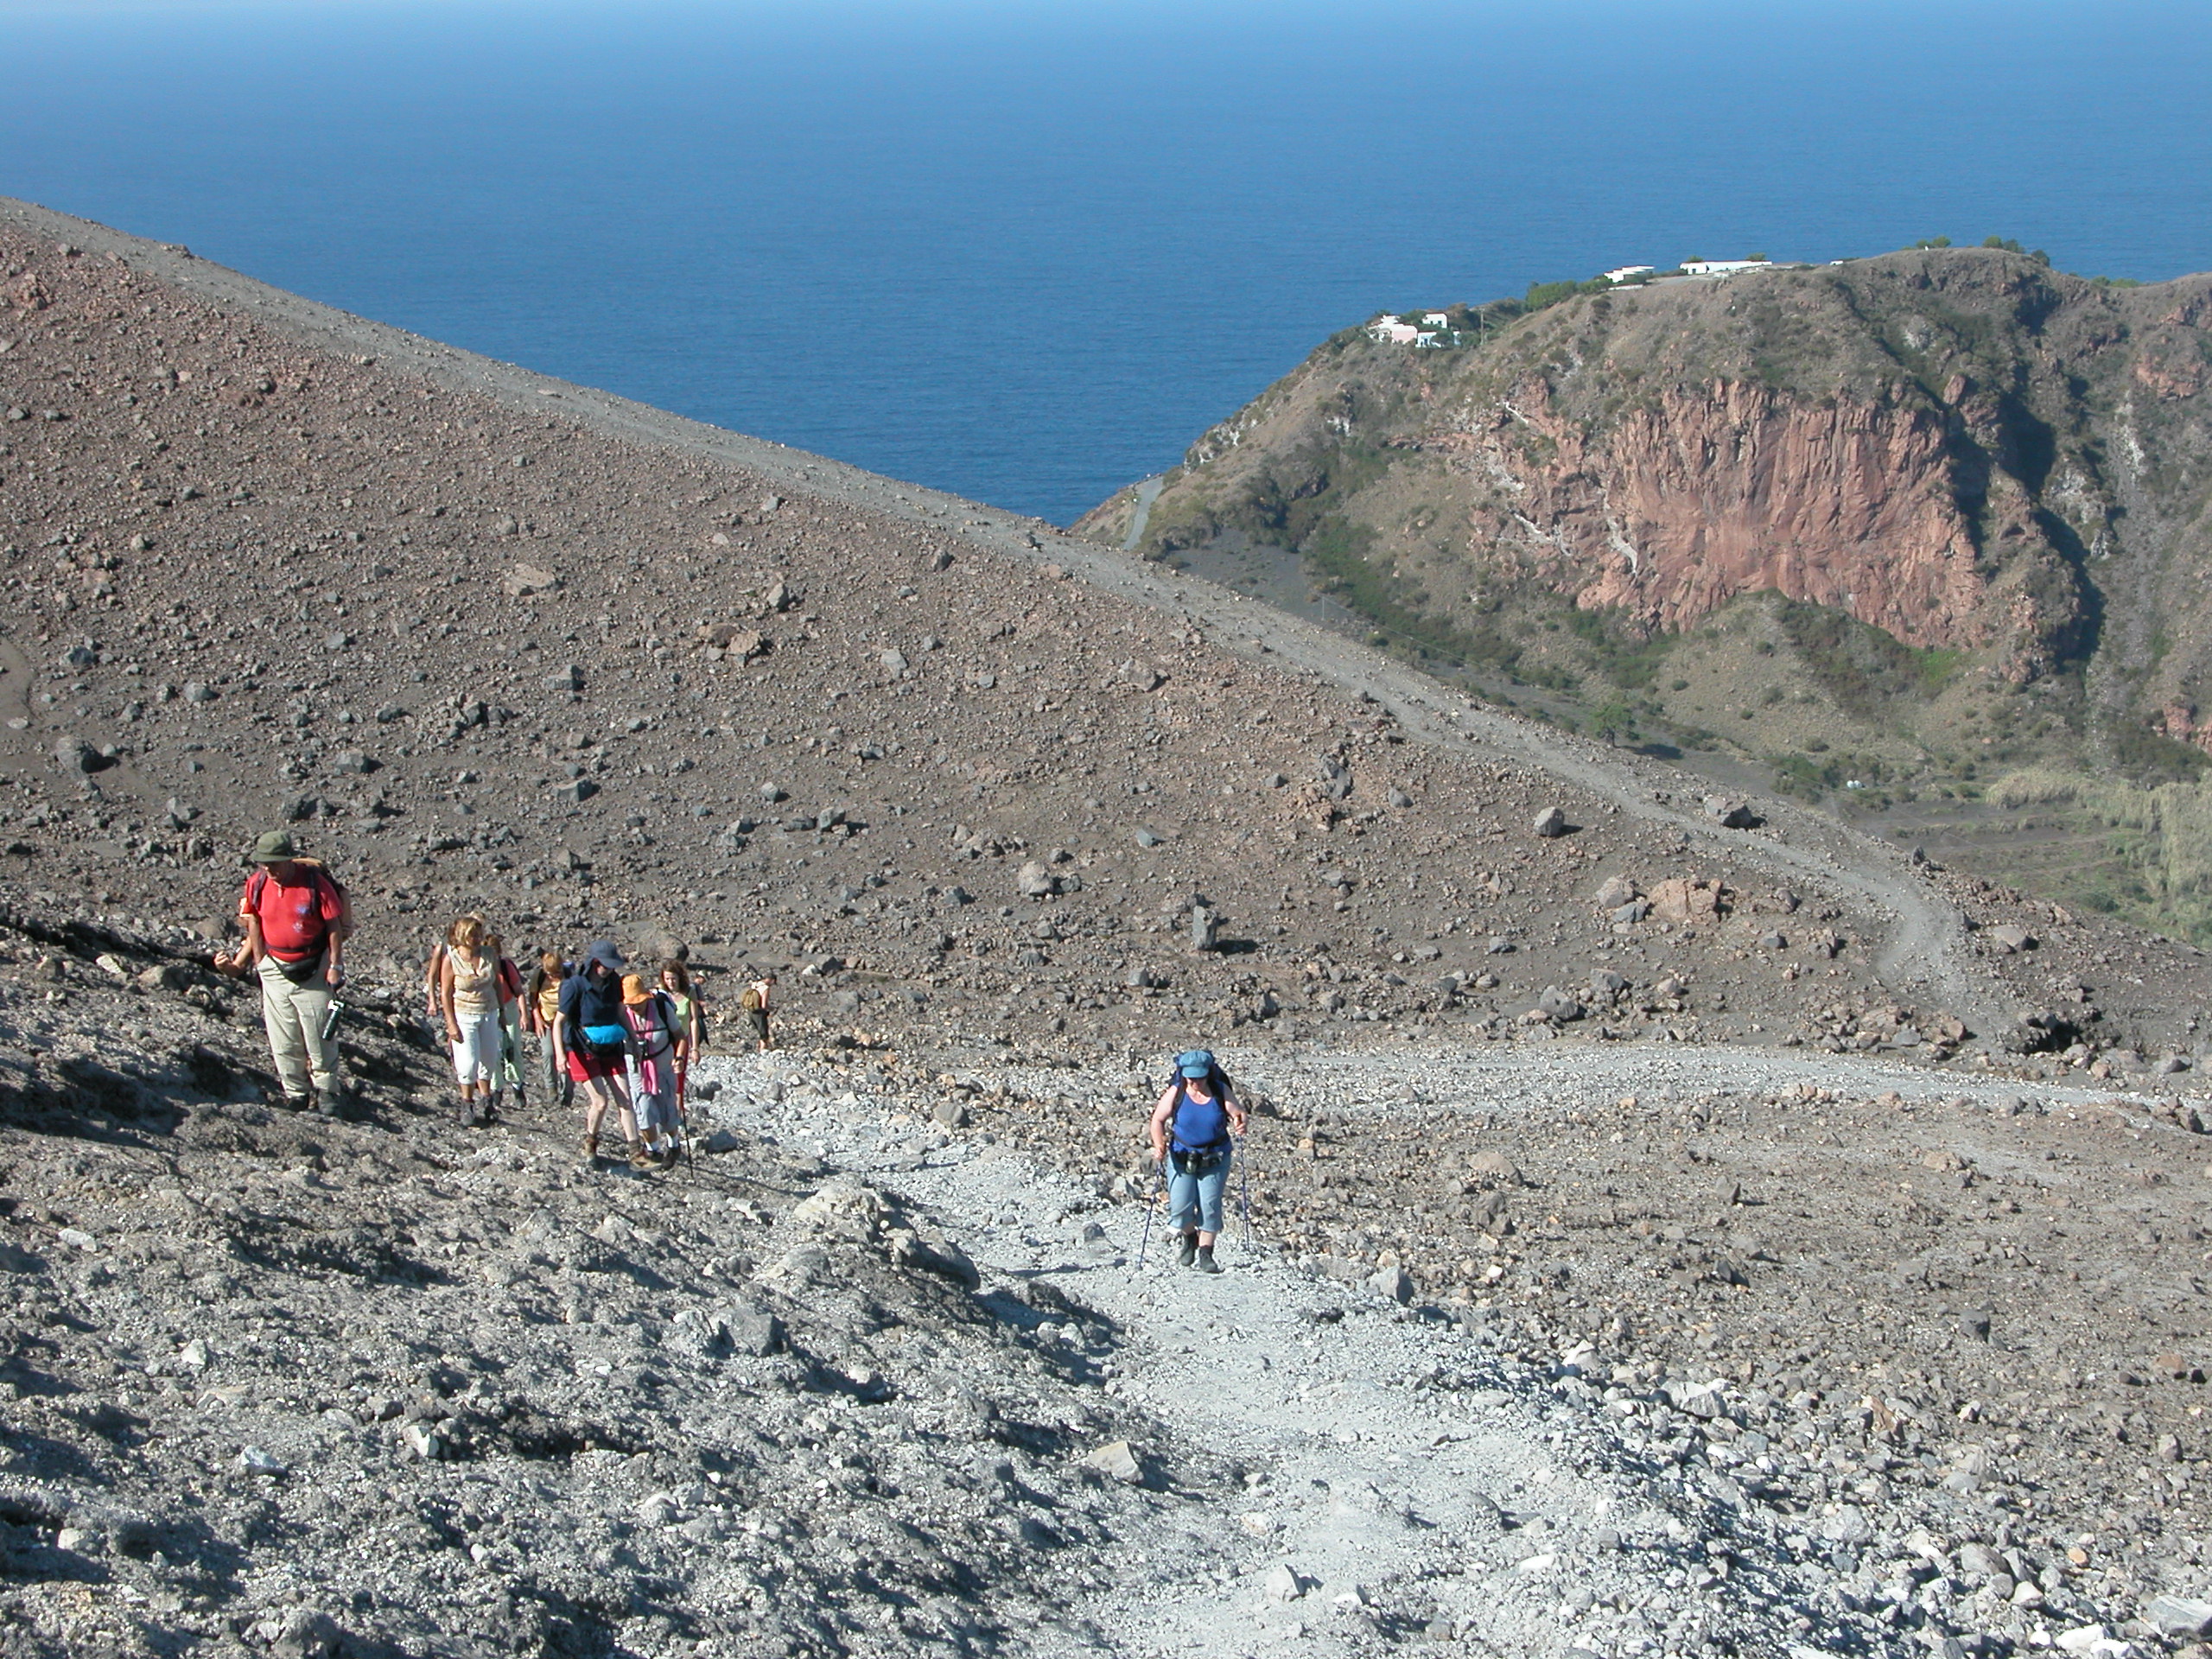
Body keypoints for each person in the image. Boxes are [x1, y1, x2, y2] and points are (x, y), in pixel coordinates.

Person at [223, 830, 350, 1116]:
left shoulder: (314, 885)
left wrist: (335, 965)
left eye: (275, 864)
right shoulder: (257, 884)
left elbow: (334, 927)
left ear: (289, 860)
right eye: (264, 864)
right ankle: (296, 1092)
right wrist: (260, 961)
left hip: (314, 967)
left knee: (320, 1034)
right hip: (275, 968)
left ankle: (327, 1090)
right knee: (283, 1038)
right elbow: (252, 919)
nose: (270, 870)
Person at [1147, 1048, 1248, 1274]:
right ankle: (1190, 1238)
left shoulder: (1220, 1090)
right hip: (1181, 1157)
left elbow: (1238, 1113)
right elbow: (1158, 1119)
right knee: (1180, 1208)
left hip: (1215, 1157)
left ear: (1208, 1074)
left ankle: (1206, 1254)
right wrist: (1158, 1143)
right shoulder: (1177, 1091)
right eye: (1190, 1077)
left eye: (1199, 1078)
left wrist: (1241, 1123)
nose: (1195, 1082)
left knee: (1209, 1207)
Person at [556, 939, 639, 1166]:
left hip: (611, 1046)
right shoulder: (574, 985)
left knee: (625, 1099)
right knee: (600, 1102)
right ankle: (591, 1142)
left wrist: (633, 1039)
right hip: (583, 1049)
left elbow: (621, 1012)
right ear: (595, 963)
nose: (611, 970)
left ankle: (636, 1152)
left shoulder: (614, 982)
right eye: (607, 965)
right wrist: (561, 1055)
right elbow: (559, 1021)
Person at [439, 915, 503, 1128]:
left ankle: (486, 1100)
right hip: (464, 1014)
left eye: (478, 934)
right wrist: (450, 1023)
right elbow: (446, 993)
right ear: (461, 936)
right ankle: (467, 1103)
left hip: (489, 1011)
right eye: (472, 934)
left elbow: (497, 983)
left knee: (489, 1058)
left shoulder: (489, 954)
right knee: (468, 1062)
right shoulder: (451, 959)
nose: (476, 938)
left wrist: (501, 1011)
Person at [621, 972, 688, 1168]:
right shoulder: (622, 1014)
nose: (634, 1007)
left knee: (668, 1111)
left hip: (664, 1068)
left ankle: (674, 1145)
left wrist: (679, 1057)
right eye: (630, 1004)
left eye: (637, 1003)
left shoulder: (661, 1008)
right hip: (637, 1071)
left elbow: (680, 1036)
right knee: (644, 1111)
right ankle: (653, 1150)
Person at [524, 949, 573, 1109]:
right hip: (546, 1020)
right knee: (548, 1053)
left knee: (566, 1055)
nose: (554, 977)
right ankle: (551, 1088)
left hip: (566, 1021)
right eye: (551, 974)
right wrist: (536, 1017)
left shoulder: (569, 975)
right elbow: (533, 998)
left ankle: (568, 1093)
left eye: (557, 973)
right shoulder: (538, 976)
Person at [486, 931, 527, 1116]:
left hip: (508, 1008)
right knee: (493, 1052)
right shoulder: (482, 968)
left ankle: (517, 1086)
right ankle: (497, 1088)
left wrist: (524, 1015)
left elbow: (519, 991)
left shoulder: (505, 966)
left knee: (513, 1049)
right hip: (490, 1009)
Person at [658, 958, 702, 1122]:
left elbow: (693, 1019)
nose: (670, 982)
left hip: (681, 1040)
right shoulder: (659, 993)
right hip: (662, 1041)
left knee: (678, 1077)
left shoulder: (689, 992)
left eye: (673, 978)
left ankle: (677, 1115)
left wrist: (695, 1048)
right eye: (667, 978)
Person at [740, 971, 774, 1052]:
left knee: (758, 1031)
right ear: (771, 980)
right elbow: (764, 1005)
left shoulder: (754, 984)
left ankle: (759, 1049)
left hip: (750, 1010)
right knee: (763, 1034)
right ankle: (762, 1051)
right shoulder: (765, 988)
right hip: (759, 1013)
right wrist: (772, 1008)